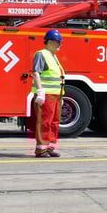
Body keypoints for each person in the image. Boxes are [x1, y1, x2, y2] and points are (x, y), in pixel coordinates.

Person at [31, 29, 65, 158]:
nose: (60, 45)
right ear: (50, 42)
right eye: (58, 42)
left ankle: (50, 147)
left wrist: (61, 96)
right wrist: (40, 92)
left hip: (55, 95)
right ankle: (41, 149)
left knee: (54, 122)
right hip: (46, 95)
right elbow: (36, 73)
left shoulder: (53, 56)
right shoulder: (41, 54)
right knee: (45, 121)